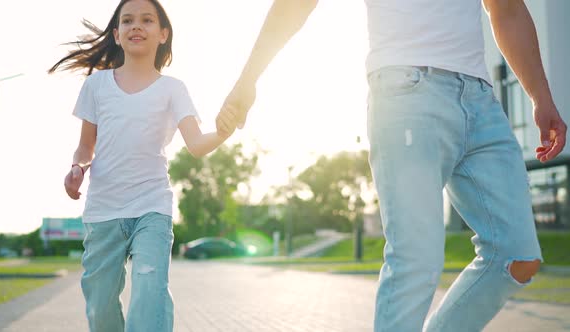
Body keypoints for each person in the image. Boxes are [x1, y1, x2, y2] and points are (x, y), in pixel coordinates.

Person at [216, 0, 567, 331]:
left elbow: (507, 10)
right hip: (407, 88)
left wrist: (541, 97)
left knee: (516, 255)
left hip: (481, 100)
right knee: (415, 262)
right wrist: (248, 79)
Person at [49, 1, 234, 330]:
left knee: (149, 293)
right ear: (117, 35)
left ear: (163, 34)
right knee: (100, 308)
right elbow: (85, 146)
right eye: (128, 20)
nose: (137, 26)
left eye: (147, 20)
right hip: (103, 211)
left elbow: (195, 144)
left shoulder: (172, 88)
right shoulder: (96, 85)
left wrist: (223, 131)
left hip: (152, 207)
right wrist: (77, 168)